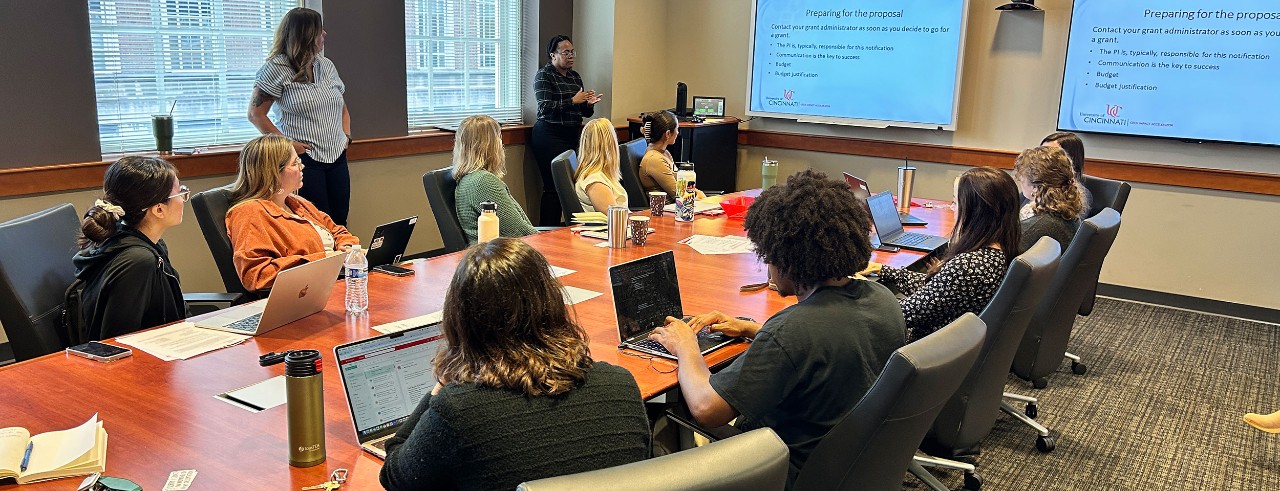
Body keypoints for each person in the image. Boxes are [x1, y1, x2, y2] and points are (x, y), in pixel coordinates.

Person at [648, 170, 906, 483]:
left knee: (667, 408)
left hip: (784, 471)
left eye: (768, 255)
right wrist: (750, 328)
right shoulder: (881, 298)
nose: (767, 266)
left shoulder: (792, 332)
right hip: (850, 466)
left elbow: (706, 408)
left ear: (789, 258)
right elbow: (831, 343)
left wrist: (685, 344)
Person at [379, 238, 649, 490]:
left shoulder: (458, 411)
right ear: (552, 304)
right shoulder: (621, 384)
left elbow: (396, 477)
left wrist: (436, 391)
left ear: (461, 321)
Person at [863, 167, 1020, 342]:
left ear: (975, 211)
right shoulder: (1001, 251)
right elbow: (936, 291)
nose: (953, 209)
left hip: (923, 351)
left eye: (956, 202)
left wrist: (860, 300)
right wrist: (884, 270)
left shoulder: (967, 266)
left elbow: (903, 314)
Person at [248, 7, 353, 225]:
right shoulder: (276, 68)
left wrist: (346, 135)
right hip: (304, 161)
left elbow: (341, 105)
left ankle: (343, 260)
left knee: (339, 220)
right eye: (319, 31)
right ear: (305, 35)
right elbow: (256, 114)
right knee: (313, 223)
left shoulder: (326, 65)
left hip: (337, 157)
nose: (324, 35)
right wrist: (287, 145)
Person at [73, 156, 188, 340]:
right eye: (180, 192)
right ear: (159, 209)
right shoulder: (138, 261)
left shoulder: (149, 244)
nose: (183, 198)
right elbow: (116, 342)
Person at [226, 134, 358, 292]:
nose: (302, 167)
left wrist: (346, 247)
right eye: (295, 163)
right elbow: (257, 275)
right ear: (274, 172)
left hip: (331, 282)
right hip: (301, 295)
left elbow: (337, 230)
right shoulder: (250, 213)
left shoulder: (297, 203)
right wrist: (322, 260)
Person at [531, 34, 602, 225]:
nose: (570, 55)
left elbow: (584, 112)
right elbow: (544, 107)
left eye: (572, 52)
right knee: (553, 187)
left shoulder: (574, 76)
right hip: (549, 135)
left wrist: (588, 104)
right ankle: (547, 232)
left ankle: (570, 230)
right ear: (553, 55)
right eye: (565, 52)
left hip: (572, 135)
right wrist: (573, 101)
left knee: (571, 186)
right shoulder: (544, 75)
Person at [451, 115, 538, 244]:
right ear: (492, 145)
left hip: (491, 254)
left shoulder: (468, 179)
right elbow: (519, 232)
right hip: (502, 257)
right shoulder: (482, 182)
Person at [1014, 146, 1085, 253]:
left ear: (1035, 187)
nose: (1020, 181)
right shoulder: (1067, 213)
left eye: (1021, 178)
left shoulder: (1031, 230)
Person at [638, 110, 704, 201]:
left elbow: (681, 185)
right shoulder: (654, 159)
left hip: (680, 206)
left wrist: (697, 192)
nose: (678, 132)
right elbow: (680, 195)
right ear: (668, 134)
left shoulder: (664, 153)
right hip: (669, 211)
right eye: (677, 129)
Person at [573, 117, 628, 212]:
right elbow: (616, 219)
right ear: (611, 145)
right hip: (614, 226)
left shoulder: (602, 174)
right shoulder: (596, 181)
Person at [1040, 131, 1093, 211]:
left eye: (1049, 155)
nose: (1041, 159)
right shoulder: (1035, 186)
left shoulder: (1078, 197)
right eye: (1040, 153)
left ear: (1069, 160)